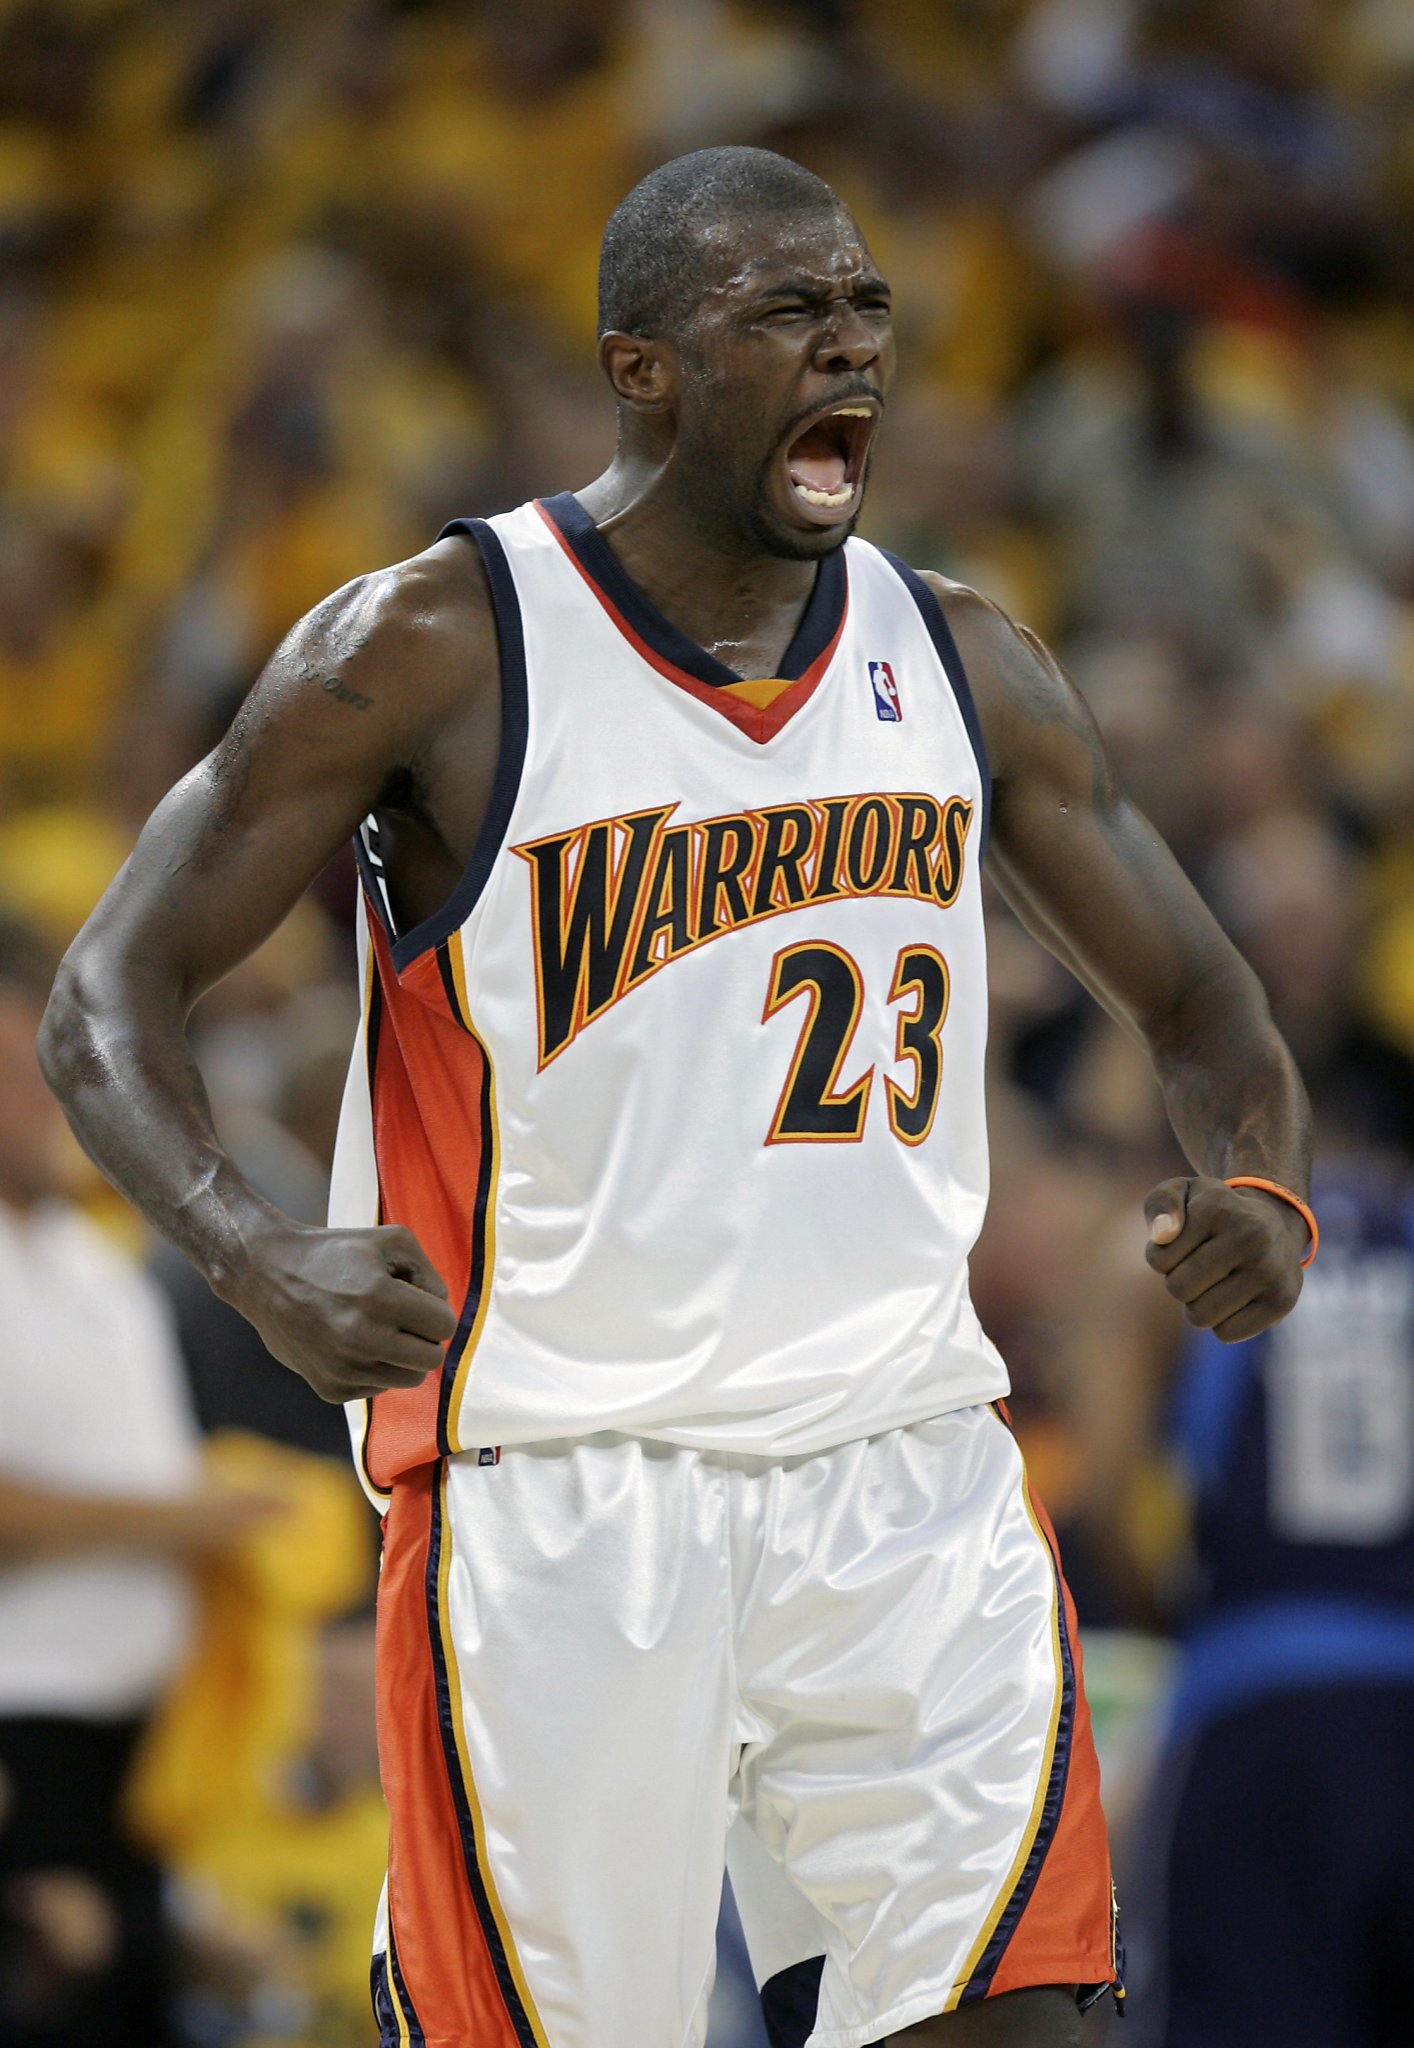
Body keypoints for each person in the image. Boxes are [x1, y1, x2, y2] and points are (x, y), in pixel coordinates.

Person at [40, 148, 1314, 2048]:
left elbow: (1205, 999)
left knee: (1019, 2019)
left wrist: (1257, 1185)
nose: (846, 345)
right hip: (561, 1480)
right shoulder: (440, 642)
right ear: (641, 365)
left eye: (864, 305)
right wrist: (252, 1250)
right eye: (784, 311)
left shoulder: (959, 657)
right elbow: (103, 992)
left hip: (902, 1462)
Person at [0, 912, 274, 2047]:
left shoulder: (96, 1261)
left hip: (151, 1749)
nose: (46, 1100)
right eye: (19, 1076)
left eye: (56, 1070)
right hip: (25, 1743)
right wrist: (191, 1516)